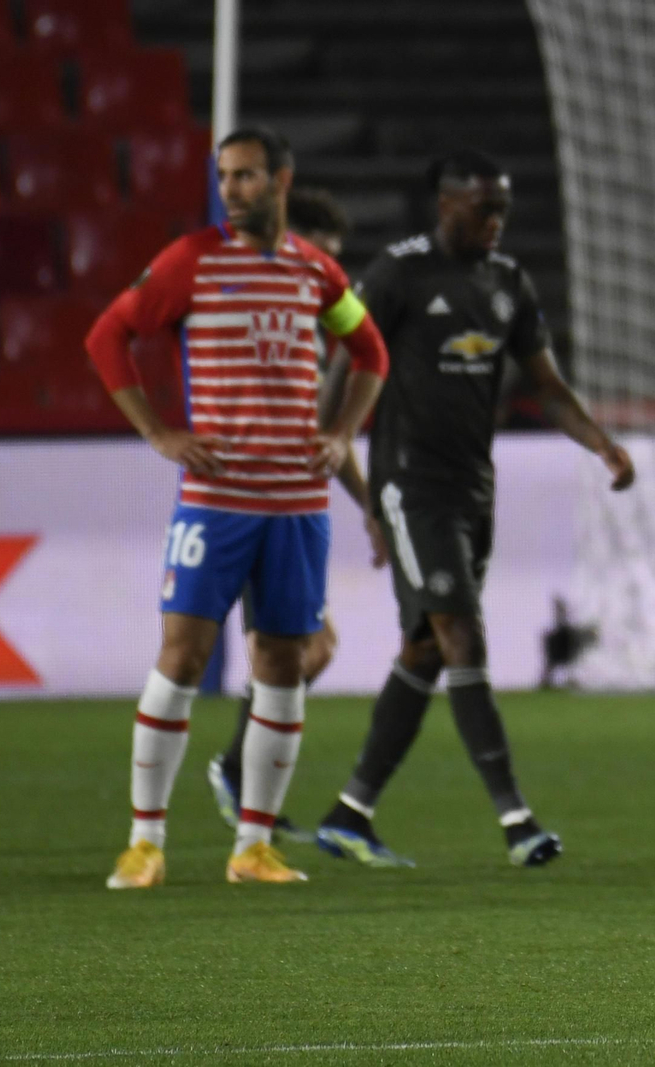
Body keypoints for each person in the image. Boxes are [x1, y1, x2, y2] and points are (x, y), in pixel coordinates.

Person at [312, 150, 636, 870]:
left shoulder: (506, 282)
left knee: (426, 650)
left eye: (503, 211)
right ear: (447, 204)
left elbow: (546, 385)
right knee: (461, 634)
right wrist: (336, 449)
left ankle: (349, 812)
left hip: (472, 489)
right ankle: (516, 820)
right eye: (483, 208)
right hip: (409, 484)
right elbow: (345, 362)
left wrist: (602, 444)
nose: (496, 222)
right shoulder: (400, 272)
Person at [87, 127, 389, 887]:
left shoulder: (317, 272)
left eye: (248, 175)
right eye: (225, 177)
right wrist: (158, 430)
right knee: (182, 656)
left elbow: (372, 354)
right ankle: (145, 840)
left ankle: (253, 845)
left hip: (296, 506)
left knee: (282, 663)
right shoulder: (191, 262)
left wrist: (342, 431)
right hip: (215, 502)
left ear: (281, 179)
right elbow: (107, 335)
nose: (233, 190)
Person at [206, 187, 389, 843]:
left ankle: (242, 780)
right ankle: (237, 783)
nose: (326, 274)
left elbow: (319, 438)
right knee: (296, 651)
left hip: (285, 505)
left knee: (314, 649)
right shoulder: (267, 318)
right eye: (322, 255)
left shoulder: (305, 327)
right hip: (254, 504)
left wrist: (366, 503)